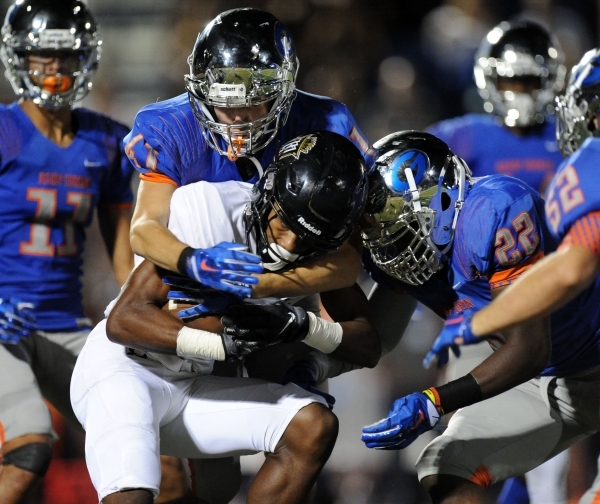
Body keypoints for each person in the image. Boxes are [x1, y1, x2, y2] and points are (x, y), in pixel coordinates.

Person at [70, 131, 380, 504]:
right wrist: (221, 343)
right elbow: (124, 320)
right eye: (286, 225)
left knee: (312, 426)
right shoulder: (208, 210)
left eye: (309, 239)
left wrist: (302, 324)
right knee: (133, 495)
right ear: (268, 195)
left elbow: (368, 344)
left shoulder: (317, 245)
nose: (289, 246)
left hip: (194, 386)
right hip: (126, 371)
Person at [358, 130, 600, 504]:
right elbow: (372, 339)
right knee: (447, 469)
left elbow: (529, 347)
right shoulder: (400, 254)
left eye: (393, 219)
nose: (384, 238)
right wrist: (304, 335)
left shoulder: (492, 211)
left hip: (586, 355)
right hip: (545, 379)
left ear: (438, 196)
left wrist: (433, 401)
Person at [423, 47, 600, 504]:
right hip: (545, 328)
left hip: (559, 333)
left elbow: (569, 268)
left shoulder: (582, 166)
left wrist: (481, 321)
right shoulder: (465, 136)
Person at [124, 7, 370, 298]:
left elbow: (348, 257)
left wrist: (262, 288)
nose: (238, 117)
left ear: (284, 91)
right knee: (192, 200)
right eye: (225, 103)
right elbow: (144, 227)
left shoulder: (324, 123)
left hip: (290, 274)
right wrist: (194, 261)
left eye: (254, 101)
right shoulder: (171, 126)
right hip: (189, 277)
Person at [0, 1, 134, 503]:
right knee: (31, 447)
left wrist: (143, 313)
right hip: (3, 321)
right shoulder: (4, 130)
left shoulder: (106, 141)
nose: (54, 68)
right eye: (40, 56)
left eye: (65, 56)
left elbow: (123, 253)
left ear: (85, 59)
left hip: (65, 324)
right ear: (20, 58)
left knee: (145, 434)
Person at [427, 19, 566, 195]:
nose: (519, 90)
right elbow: (410, 162)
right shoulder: (465, 135)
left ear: (549, 80)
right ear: (492, 80)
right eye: (510, 81)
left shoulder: (565, 135)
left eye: (528, 81)